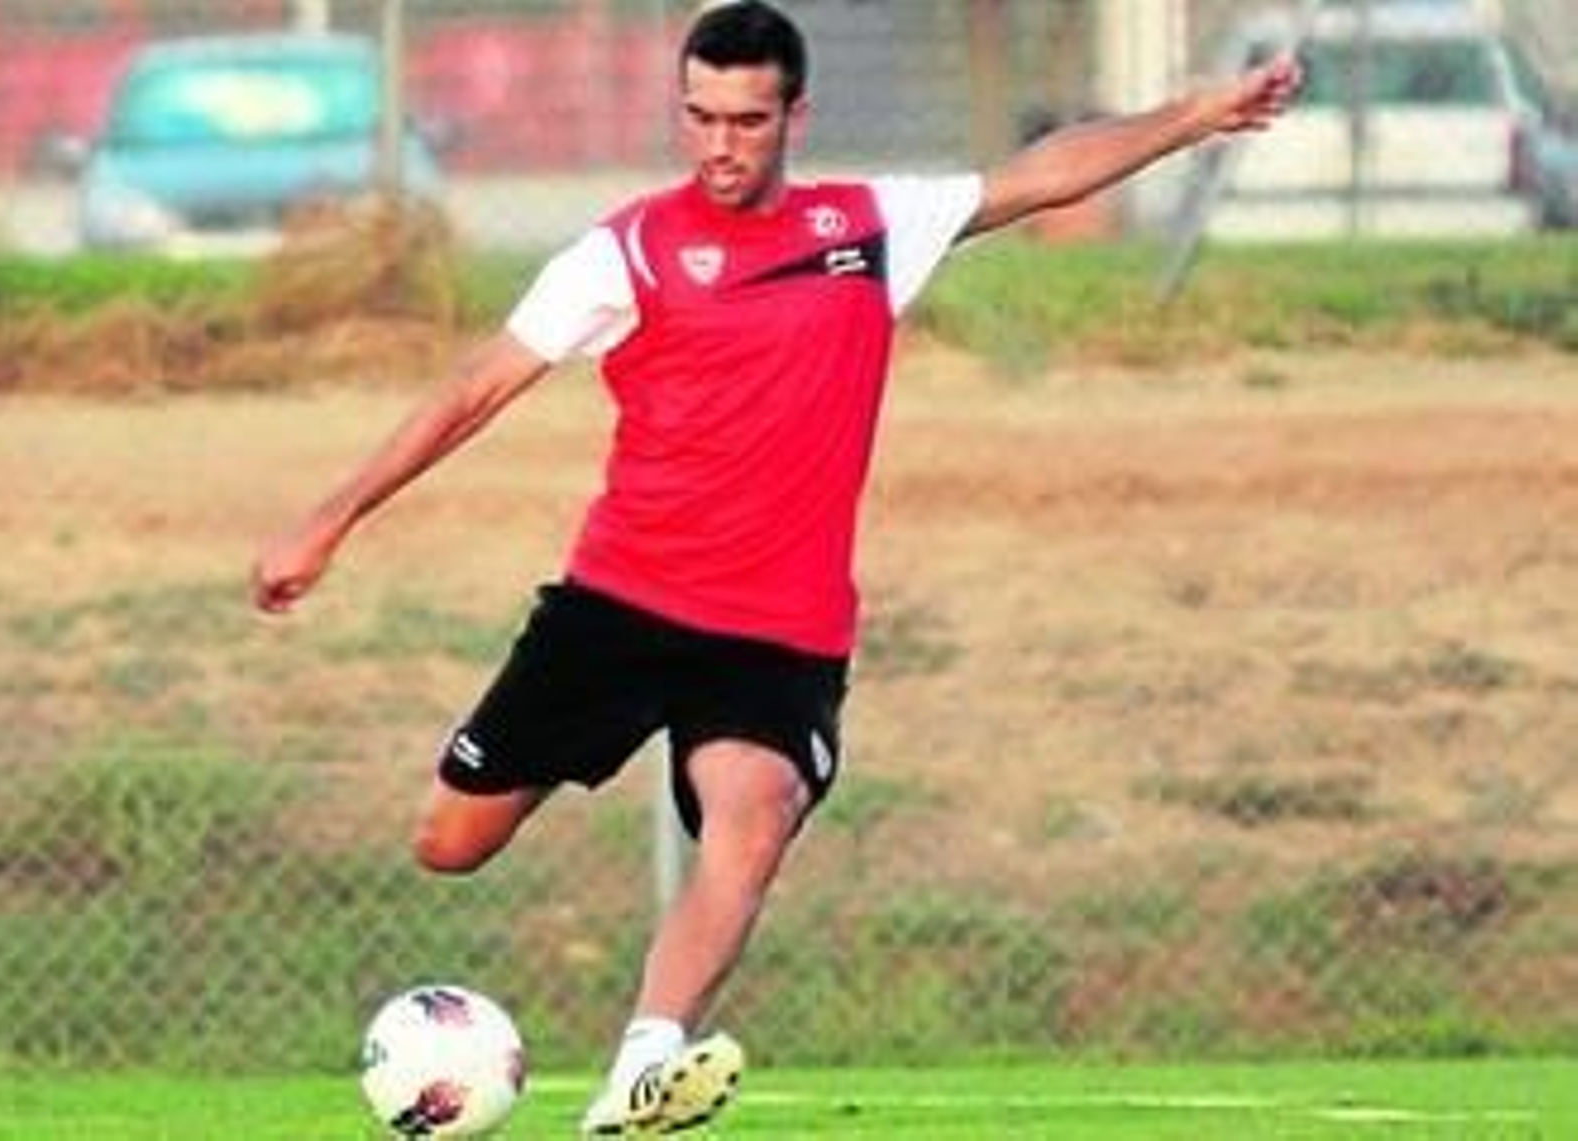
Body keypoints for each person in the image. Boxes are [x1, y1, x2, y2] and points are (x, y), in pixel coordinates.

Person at [251, 2, 1301, 1135]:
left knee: (753, 812)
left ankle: (643, 1068)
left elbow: (1039, 176)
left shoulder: (864, 228)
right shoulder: (628, 248)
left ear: (795, 113)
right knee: (448, 843)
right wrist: (329, 516)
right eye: (699, 117)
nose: (720, 144)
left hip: (776, 631)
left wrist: (1194, 113)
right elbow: (474, 389)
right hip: (617, 603)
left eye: (746, 120)